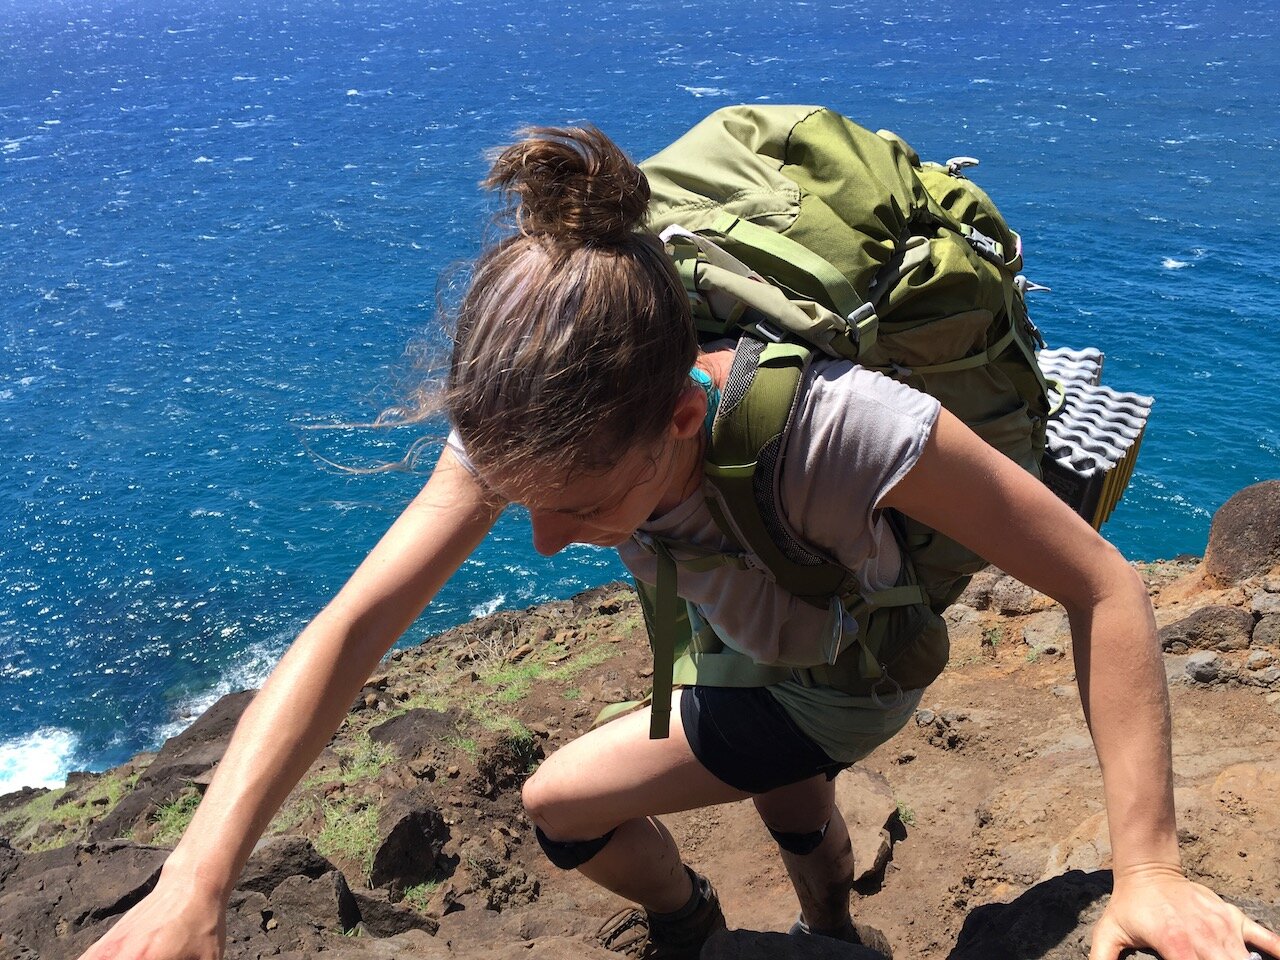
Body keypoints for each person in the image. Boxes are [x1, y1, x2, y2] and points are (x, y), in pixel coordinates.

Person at [81, 125, 1279, 960]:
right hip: (733, 614)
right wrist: (195, 878)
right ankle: (825, 927)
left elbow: (1101, 584)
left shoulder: (838, 428)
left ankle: (692, 926)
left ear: (677, 413)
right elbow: (350, 630)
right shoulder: (534, 421)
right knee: (771, 771)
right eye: (517, 495)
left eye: (580, 503)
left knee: (562, 806)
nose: (544, 541)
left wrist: (1149, 870)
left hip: (844, 669)